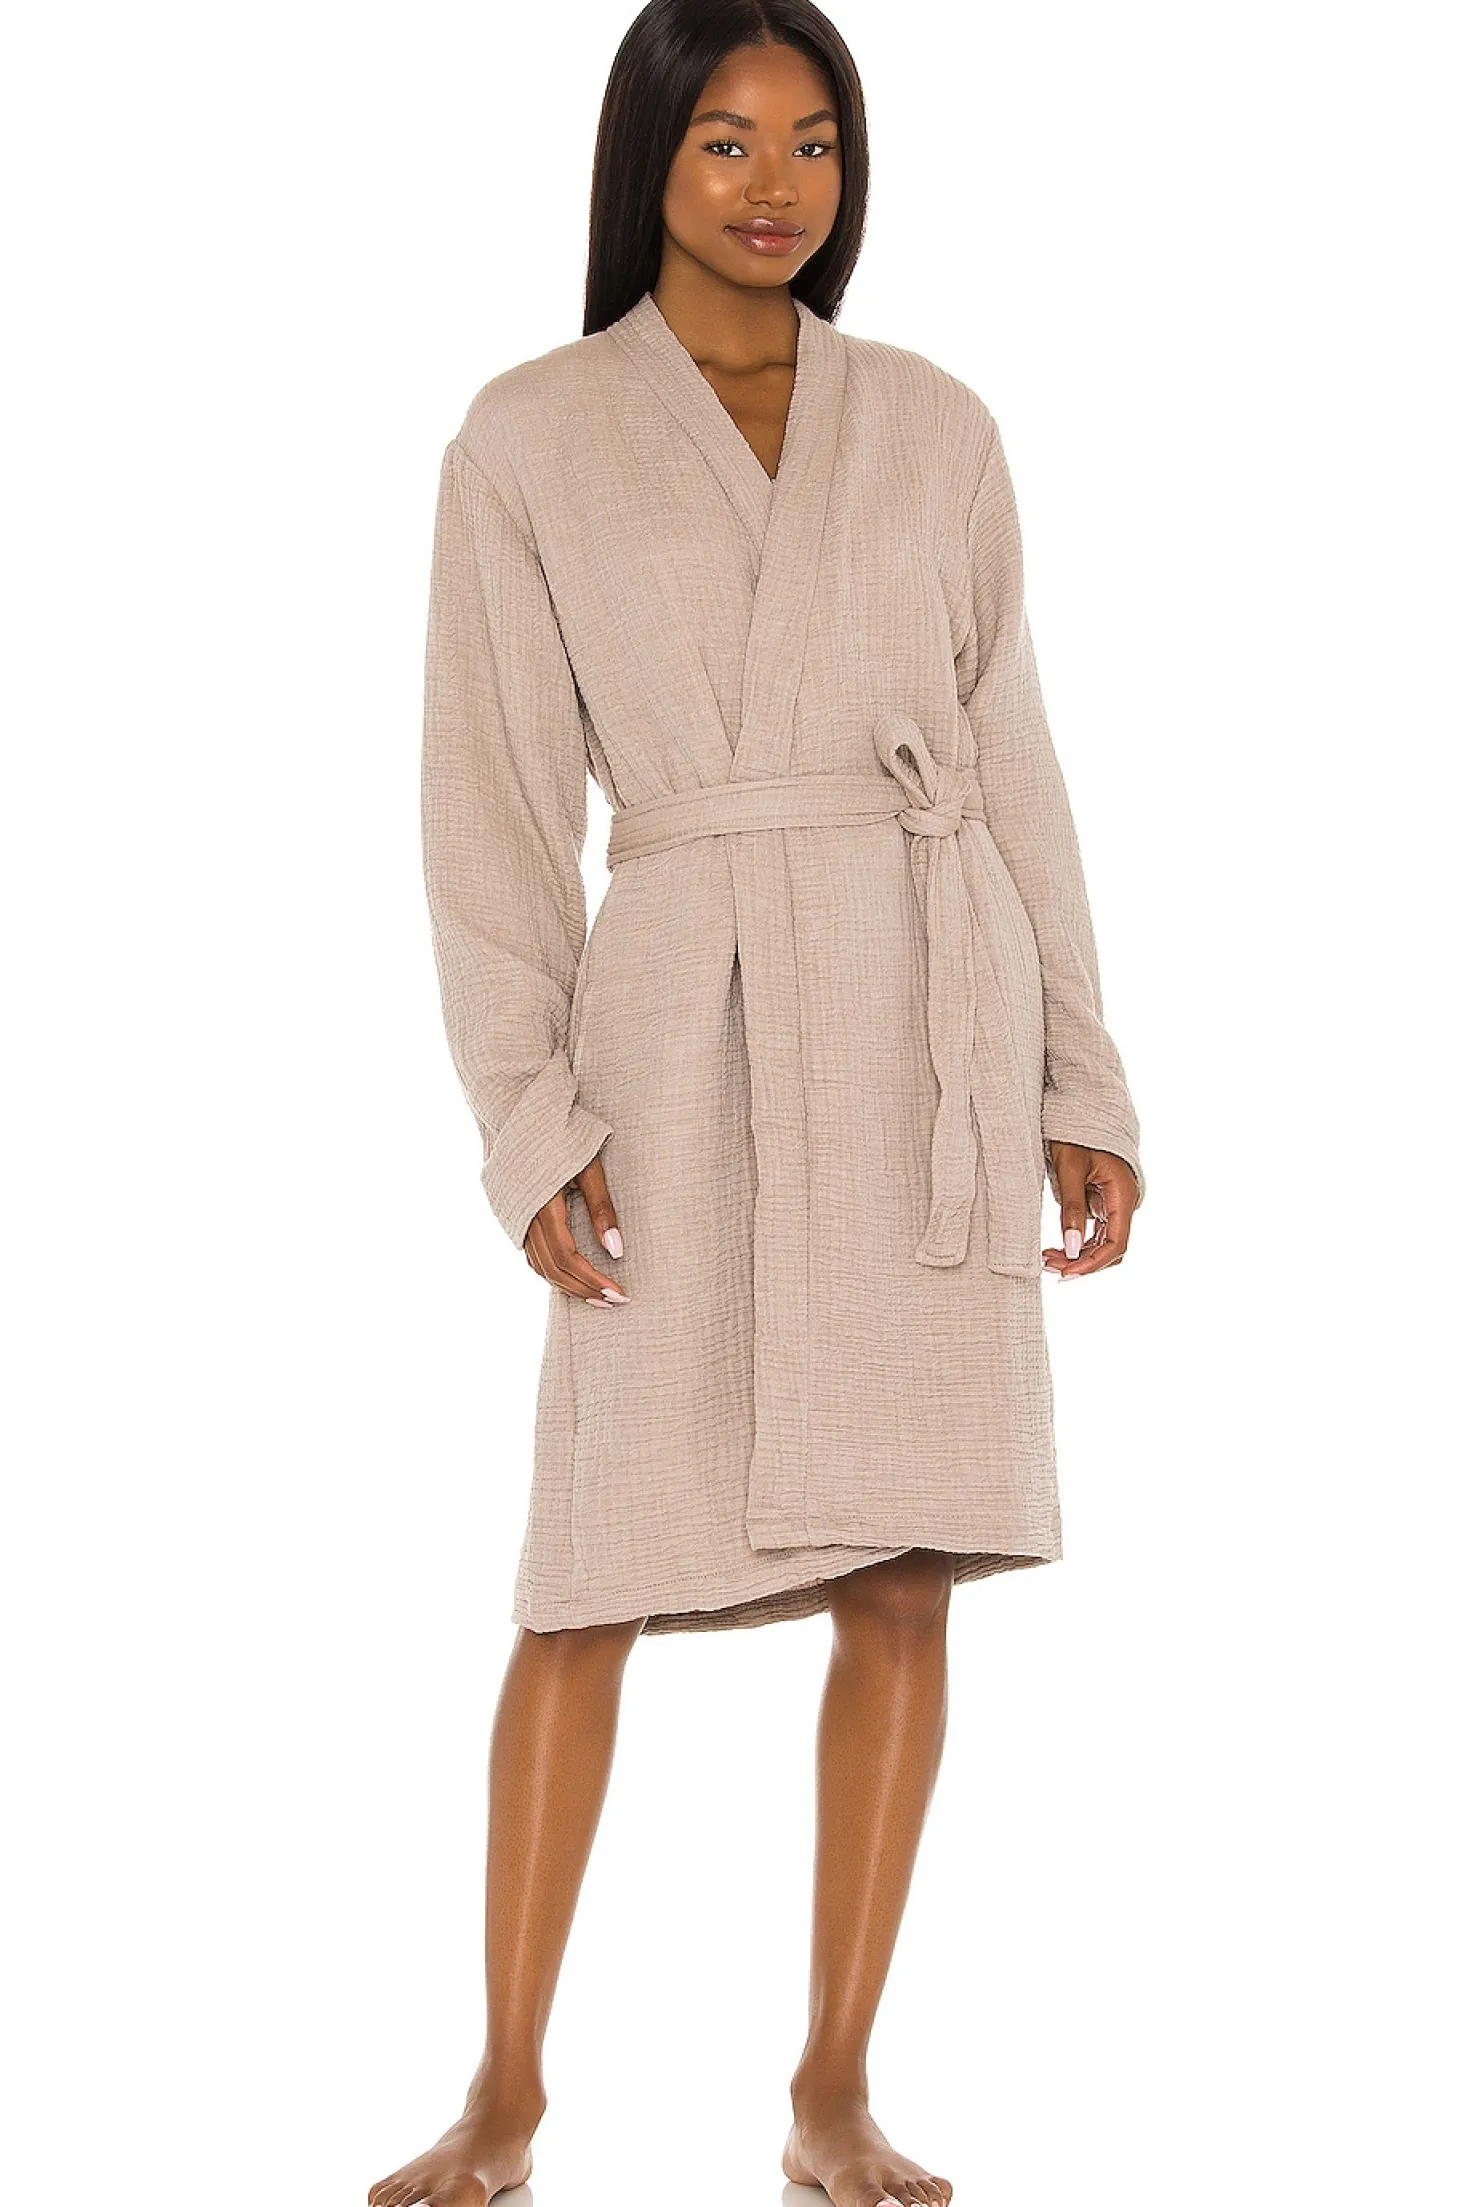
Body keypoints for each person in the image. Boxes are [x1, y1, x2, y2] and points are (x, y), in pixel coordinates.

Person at [371, 4, 1143, 2203]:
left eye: (811, 142)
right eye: (724, 140)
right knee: (583, 1581)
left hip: (921, 1011)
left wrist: (1078, 1065)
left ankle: (833, 2089)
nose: (773, 185)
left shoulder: (937, 427)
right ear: (647, 154)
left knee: (905, 1573)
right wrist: (529, 1114)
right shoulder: (528, 439)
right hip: (675, 1025)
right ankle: (505, 2090)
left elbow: (1014, 763)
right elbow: (491, 810)